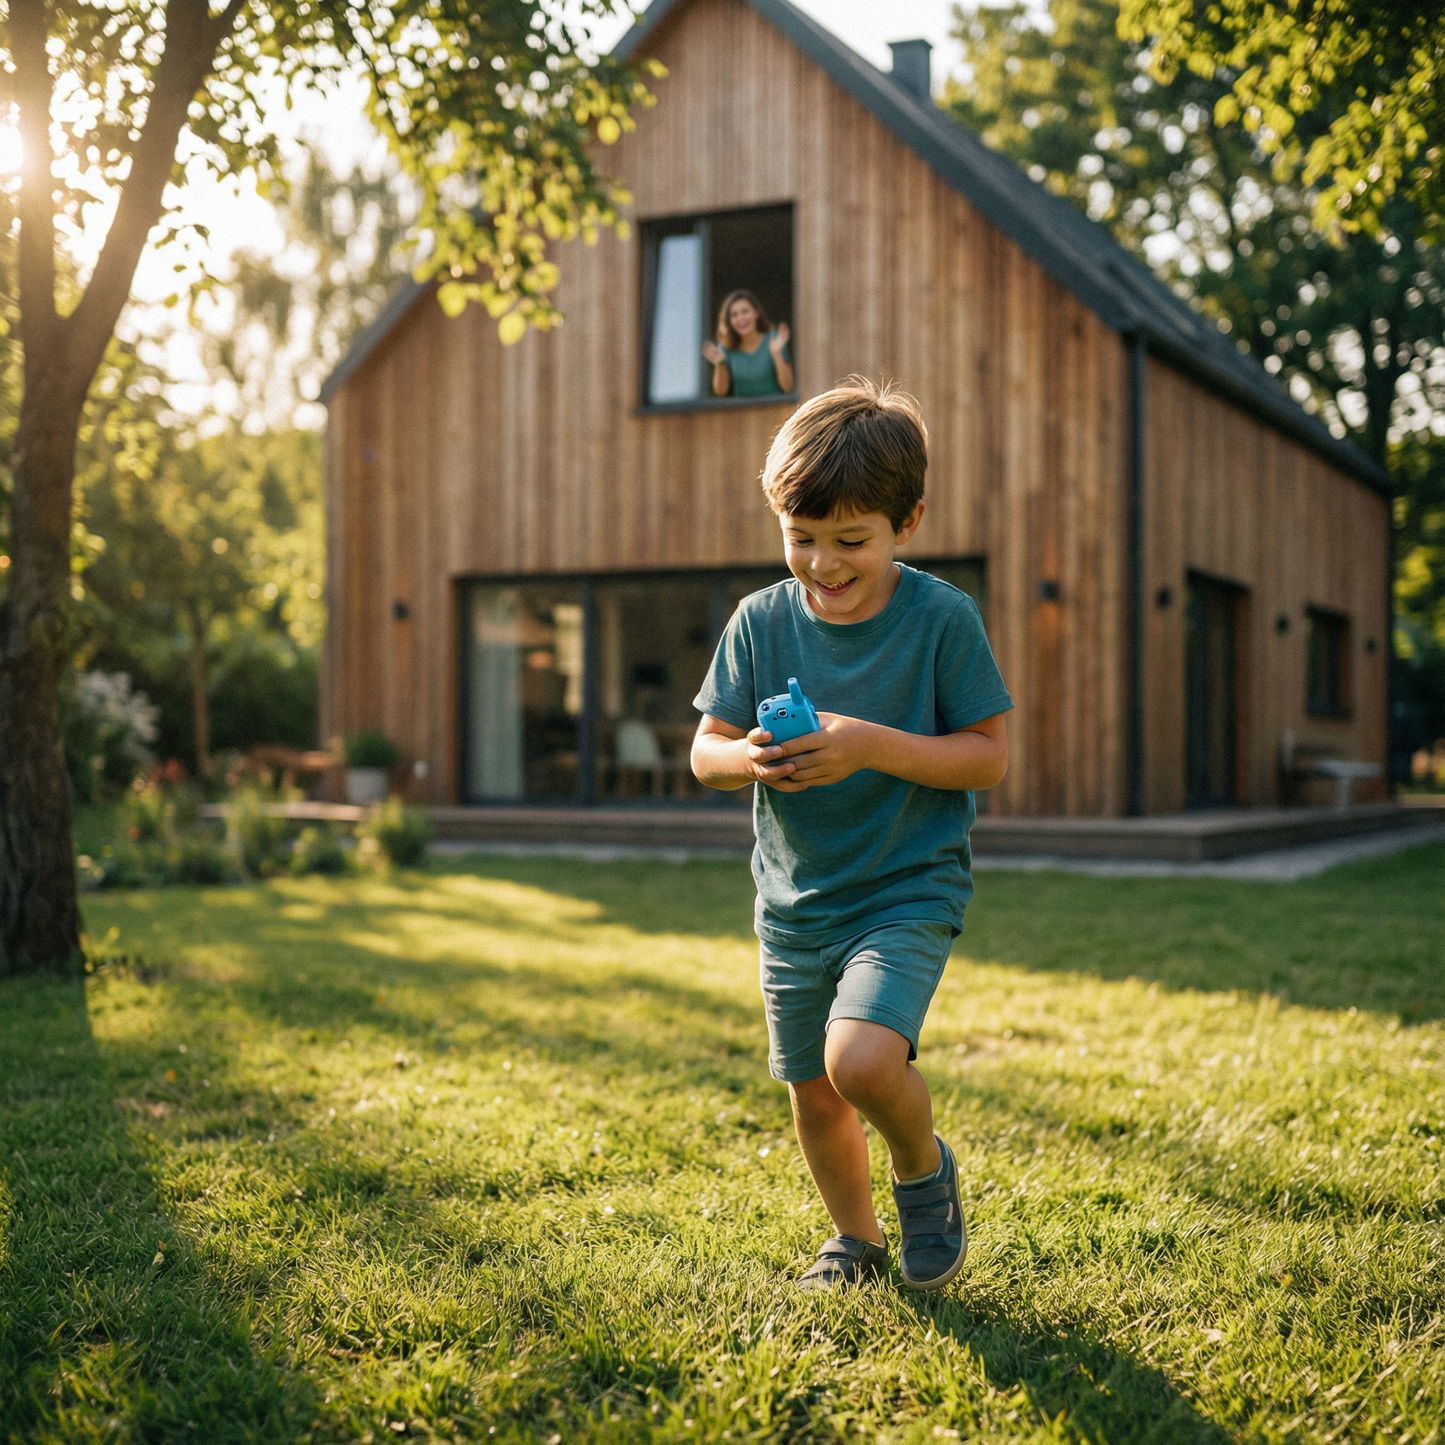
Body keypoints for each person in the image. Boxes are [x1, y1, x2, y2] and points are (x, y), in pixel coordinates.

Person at [690, 378, 1012, 1292]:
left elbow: (986, 758)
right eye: (801, 538)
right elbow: (702, 751)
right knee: (813, 1090)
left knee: (860, 1057)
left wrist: (866, 744)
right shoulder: (758, 620)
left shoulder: (940, 618)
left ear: (906, 523)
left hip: (904, 888)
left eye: (849, 541)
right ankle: (855, 1241)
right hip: (795, 900)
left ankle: (923, 1170)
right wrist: (748, 760)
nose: (822, 564)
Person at [702, 290, 793, 397]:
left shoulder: (775, 339)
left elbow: (788, 388)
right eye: (734, 315)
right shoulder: (726, 348)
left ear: (756, 313)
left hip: (777, 411)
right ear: (729, 321)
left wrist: (776, 354)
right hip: (743, 413)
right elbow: (721, 392)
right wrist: (720, 364)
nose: (740, 318)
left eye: (745, 312)